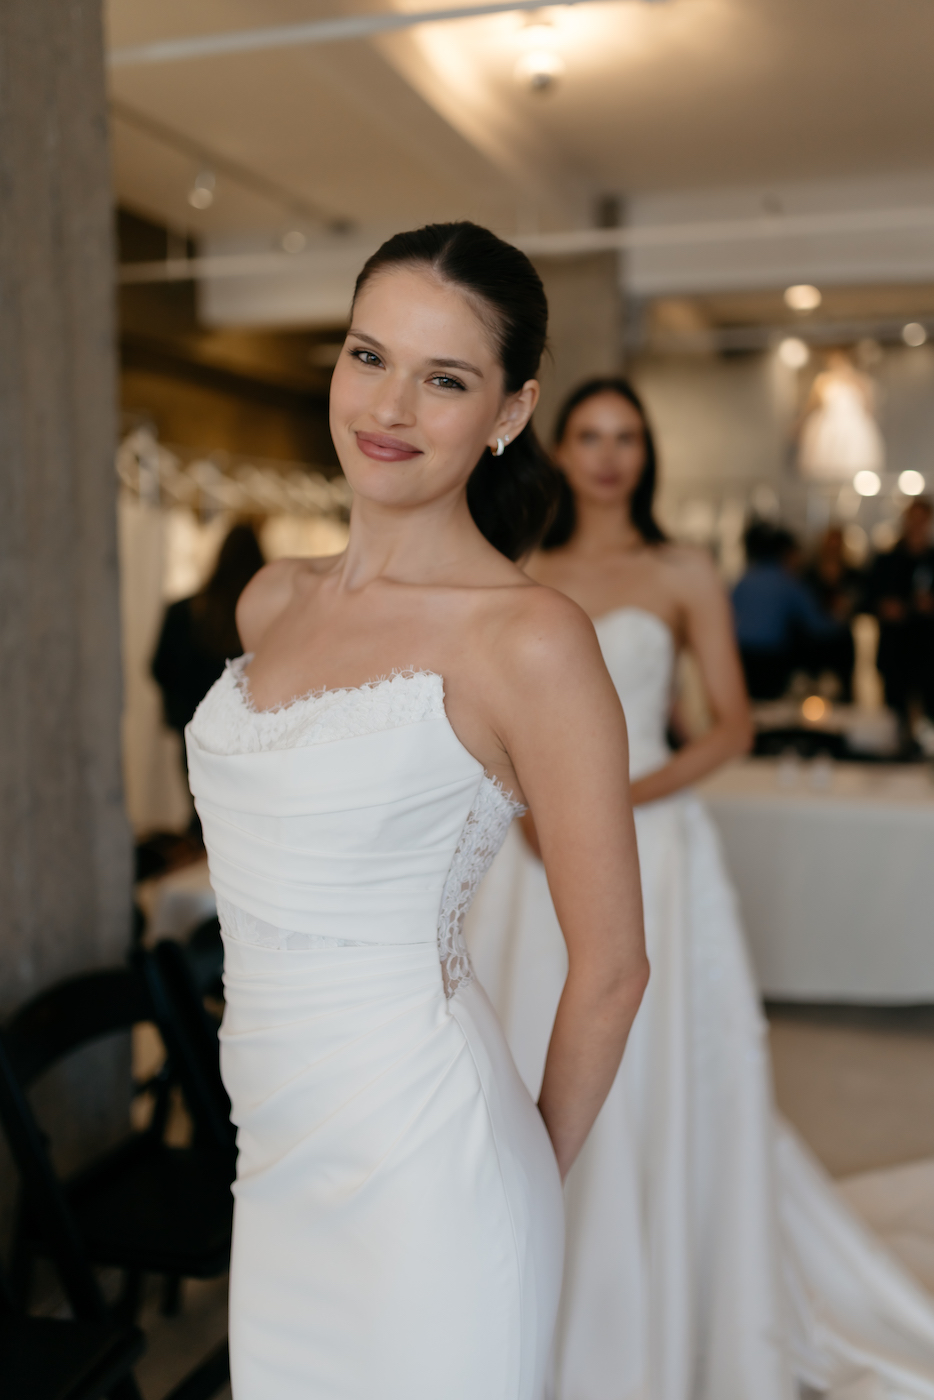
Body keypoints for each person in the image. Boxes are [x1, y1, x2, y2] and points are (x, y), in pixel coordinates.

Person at [185, 226, 649, 1400]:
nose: (388, 406)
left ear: (508, 408)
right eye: (366, 355)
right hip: (274, 1156)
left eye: (443, 378)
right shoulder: (269, 599)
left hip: (431, 1168)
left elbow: (611, 968)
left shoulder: (528, 638)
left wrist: (517, 1179)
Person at [465, 375, 934, 1400]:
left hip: (650, 833)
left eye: (625, 436)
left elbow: (726, 720)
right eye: (587, 434)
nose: (606, 455)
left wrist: (622, 790)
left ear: (646, 454)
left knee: (650, 1063)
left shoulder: (680, 567)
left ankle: (651, 1292)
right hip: (526, 835)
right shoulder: (517, 564)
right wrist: (539, 803)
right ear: (556, 447)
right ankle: (525, 1292)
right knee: (518, 1048)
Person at [152, 521, 265, 738]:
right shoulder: (268, 617)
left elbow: (160, 668)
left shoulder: (183, 612)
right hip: (247, 732)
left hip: (193, 725)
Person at [732, 519, 845, 700]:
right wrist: (840, 621)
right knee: (773, 709)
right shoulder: (788, 582)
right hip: (773, 657)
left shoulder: (744, 580)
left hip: (743, 654)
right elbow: (815, 624)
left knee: (751, 705)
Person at [867, 498, 934, 733]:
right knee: (893, 719)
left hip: (927, 652)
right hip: (896, 651)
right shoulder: (887, 561)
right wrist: (884, 607)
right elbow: (869, 599)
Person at [801, 525, 862, 701]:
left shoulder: (852, 574)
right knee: (811, 692)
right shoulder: (808, 574)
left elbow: (862, 600)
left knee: (843, 692)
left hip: (840, 640)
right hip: (813, 641)